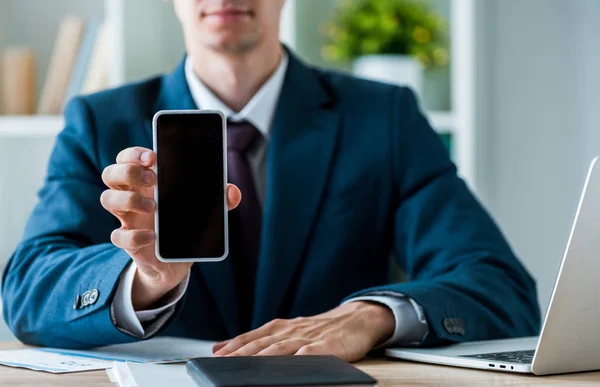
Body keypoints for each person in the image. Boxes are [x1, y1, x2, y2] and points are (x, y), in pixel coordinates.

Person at [1, 0, 540, 361]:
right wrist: (143, 280)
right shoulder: (101, 119)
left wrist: (375, 314)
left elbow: (501, 287)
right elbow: (26, 292)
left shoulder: (383, 117)